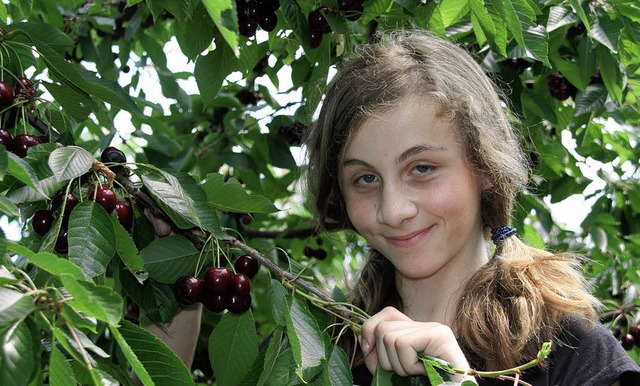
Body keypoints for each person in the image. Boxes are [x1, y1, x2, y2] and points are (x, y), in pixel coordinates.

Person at [303, 31, 640, 385]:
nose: (393, 210)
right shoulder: (322, 353)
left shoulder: (574, 353)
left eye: (422, 169)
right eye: (365, 179)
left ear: (484, 168)